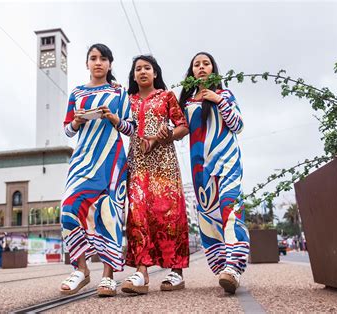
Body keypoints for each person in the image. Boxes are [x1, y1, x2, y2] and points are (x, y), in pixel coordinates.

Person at [59, 43, 134, 297]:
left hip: (112, 160)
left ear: (110, 64)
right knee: (69, 207)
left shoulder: (119, 91)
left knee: (109, 214)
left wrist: (113, 118)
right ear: (87, 63)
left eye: (103, 58)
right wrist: (78, 121)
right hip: (82, 159)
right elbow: (67, 129)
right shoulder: (77, 93)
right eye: (93, 58)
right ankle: (81, 268)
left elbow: (131, 128)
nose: (98, 62)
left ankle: (108, 276)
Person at [178, 52, 249, 294]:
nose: (201, 67)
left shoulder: (225, 95)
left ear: (213, 69)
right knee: (207, 217)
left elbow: (238, 125)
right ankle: (221, 268)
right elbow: (180, 130)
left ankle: (234, 267)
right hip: (200, 168)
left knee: (230, 208)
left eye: (205, 63)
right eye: (196, 64)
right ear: (191, 72)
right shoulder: (187, 103)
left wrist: (218, 100)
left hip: (227, 162)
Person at [120, 55, 189, 295]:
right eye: (137, 69)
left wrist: (167, 134)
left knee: (168, 215)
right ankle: (141, 272)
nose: (142, 72)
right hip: (138, 164)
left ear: (155, 73)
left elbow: (183, 126)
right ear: (133, 75)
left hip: (165, 165)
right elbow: (121, 125)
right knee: (137, 214)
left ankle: (176, 272)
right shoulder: (126, 100)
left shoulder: (166, 96)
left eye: (147, 68)